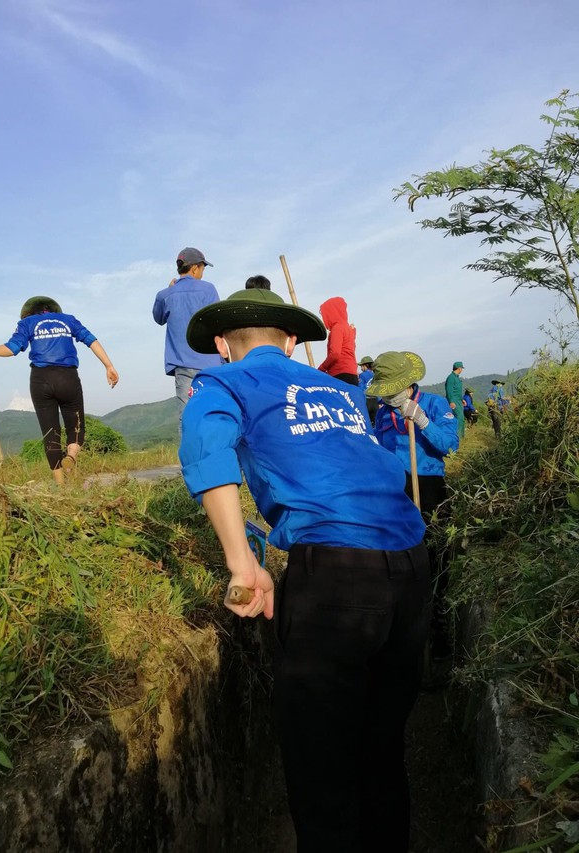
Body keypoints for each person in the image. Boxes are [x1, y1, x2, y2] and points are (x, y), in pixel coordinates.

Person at [179, 288, 431, 853]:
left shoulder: (222, 382)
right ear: (292, 342)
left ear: (222, 345)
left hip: (337, 580)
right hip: (412, 561)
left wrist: (243, 563)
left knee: (321, 762)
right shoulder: (343, 391)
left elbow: (206, 450)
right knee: (383, 746)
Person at [368, 351, 459, 660]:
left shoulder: (433, 404)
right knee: (399, 560)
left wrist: (422, 421)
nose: (388, 398)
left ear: (407, 384)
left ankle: (439, 633)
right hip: (396, 491)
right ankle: (403, 634)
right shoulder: (382, 413)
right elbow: (380, 448)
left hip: (429, 487)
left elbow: (450, 444)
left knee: (435, 559)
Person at [0, 296, 118, 486]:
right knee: (76, 426)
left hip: (41, 380)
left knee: (51, 433)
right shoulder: (68, 320)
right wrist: (109, 365)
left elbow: (12, 348)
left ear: (29, 312)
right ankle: (71, 457)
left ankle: (61, 487)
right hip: (68, 378)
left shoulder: (26, 323)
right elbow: (92, 341)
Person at [152, 248, 221, 424]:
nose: (202, 273)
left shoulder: (164, 295)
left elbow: (159, 319)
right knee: (215, 412)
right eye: (203, 269)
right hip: (211, 363)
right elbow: (217, 322)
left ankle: (190, 452)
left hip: (182, 365)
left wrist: (170, 291)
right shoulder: (208, 289)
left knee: (187, 417)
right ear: (195, 268)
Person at [317, 296, 358, 385]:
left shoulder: (337, 328)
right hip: (352, 373)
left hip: (340, 373)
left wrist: (321, 368)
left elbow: (335, 354)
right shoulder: (347, 328)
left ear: (331, 313)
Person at [445, 360, 465, 438]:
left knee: (461, 418)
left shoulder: (457, 378)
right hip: (454, 401)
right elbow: (449, 391)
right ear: (458, 368)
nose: (462, 370)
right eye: (461, 368)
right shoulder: (451, 378)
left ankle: (461, 436)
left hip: (458, 400)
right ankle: (458, 437)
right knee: (459, 418)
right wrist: (451, 401)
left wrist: (462, 399)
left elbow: (457, 391)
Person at [358, 355, 378, 427]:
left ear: (366, 365)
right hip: (375, 401)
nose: (361, 368)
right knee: (376, 423)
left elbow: (361, 388)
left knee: (367, 424)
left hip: (367, 401)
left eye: (362, 366)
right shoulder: (375, 375)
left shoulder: (362, 375)